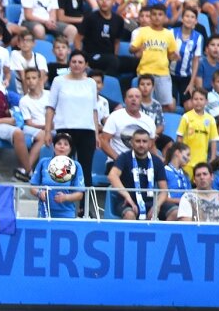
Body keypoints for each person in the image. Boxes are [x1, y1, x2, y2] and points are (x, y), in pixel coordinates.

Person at [43, 50, 100, 191]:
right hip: (65, 129)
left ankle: (83, 208)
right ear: (69, 63)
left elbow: (94, 110)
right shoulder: (58, 81)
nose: (76, 65)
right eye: (74, 62)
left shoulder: (91, 83)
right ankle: (57, 202)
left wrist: (96, 134)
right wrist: (47, 131)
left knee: (85, 170)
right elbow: (50, 108)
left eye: (80, 62)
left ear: (86, 65)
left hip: (87, 130)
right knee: (62, 168)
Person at [108, 127, 168, 220]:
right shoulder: (124, 157)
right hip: (127, 201)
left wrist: (157, 205)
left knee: (175, 213)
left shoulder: (157, 161)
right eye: (138, 141)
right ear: (131, 143)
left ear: (150, 144)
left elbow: (164, 190)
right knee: (129, 215)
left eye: (144, 141)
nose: (141, 144)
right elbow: (112, 176)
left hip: (151, 202)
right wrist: (127, 196)